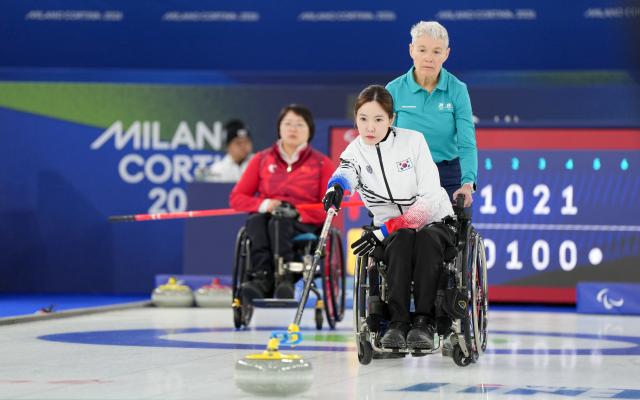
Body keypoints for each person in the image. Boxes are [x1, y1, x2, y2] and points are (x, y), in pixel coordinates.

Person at [322, 85, 455, 350]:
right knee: (402, 238)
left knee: (425, 238)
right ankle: (397, 323)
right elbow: (346, 172)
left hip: (434, 222)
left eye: (378, 119)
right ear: (356, 119)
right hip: (392, 231)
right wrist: (335, 188)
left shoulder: (414, 141)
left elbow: (428, 202)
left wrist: (385, 230)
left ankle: (424, 322)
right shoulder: (355, 151)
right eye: (363, 119)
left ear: (392, 119)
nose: (369, 127)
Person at [230, 105, 334, 300]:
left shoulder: (322, 163)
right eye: (288, 124)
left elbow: (328, 207)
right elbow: (237, 198)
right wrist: (265, 204)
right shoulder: (261, 160)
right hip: (268, 216)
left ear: (310, 130)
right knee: (257, 221)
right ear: (279, 128)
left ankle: (285, 278)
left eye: (299, 124)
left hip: (303, 223)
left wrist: (297, 211)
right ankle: (263, 278)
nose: (293, 129)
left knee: (280, 221)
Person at [386, 21, 477, 208]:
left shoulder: (457, 89)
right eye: (422, 50)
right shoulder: (393, 89)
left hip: (449, 174)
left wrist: (467, 184)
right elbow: (384, 143)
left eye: (436, 51)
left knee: (454, 232)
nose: (429, 58)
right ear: (411, 50)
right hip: (406, 172)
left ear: (446, 54)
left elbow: (467, 144)